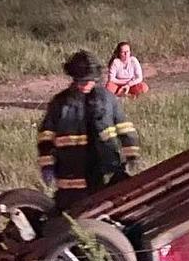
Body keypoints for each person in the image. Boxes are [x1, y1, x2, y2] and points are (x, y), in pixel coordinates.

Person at [38, 50, 141, 210]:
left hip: (106, 171)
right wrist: (47, 165)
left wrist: (132, 155)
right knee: (70, 214)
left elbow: (124, 128)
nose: (86, 84)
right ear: (73, 79)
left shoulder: (107, 99)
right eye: (81, 81)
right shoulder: (60, 103)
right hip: (71, 176)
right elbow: (45, 137)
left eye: (89, 80)